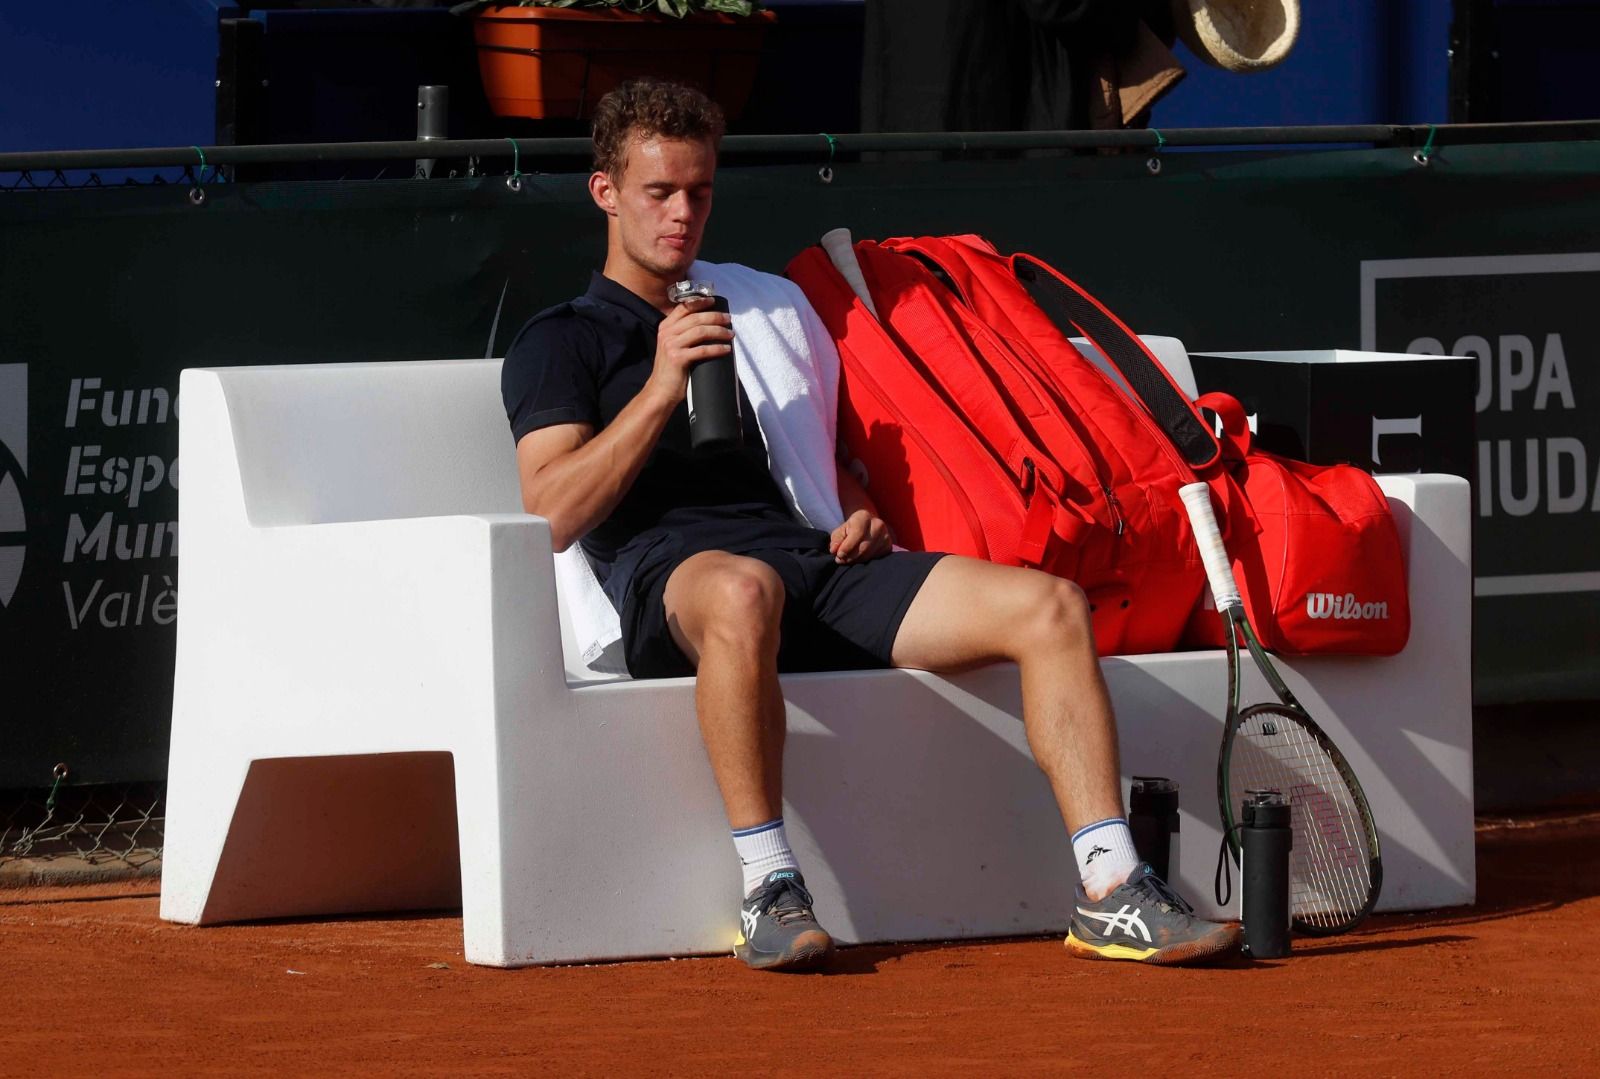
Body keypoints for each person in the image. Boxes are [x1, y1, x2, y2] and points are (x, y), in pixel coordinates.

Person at [501, 77, 1239, 971]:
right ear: (606, 192)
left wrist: (859, 513)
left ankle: (1114, 885)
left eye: (700, 190)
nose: (683, 214)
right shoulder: (561, 338)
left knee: (1049, 605)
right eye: (659, 192)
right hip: (680, 580)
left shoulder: (740, 310)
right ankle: (771, 887)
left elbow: (821, 468)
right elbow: (549, 510)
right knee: (742, 588)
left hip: (807, 562)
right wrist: (660, 386)